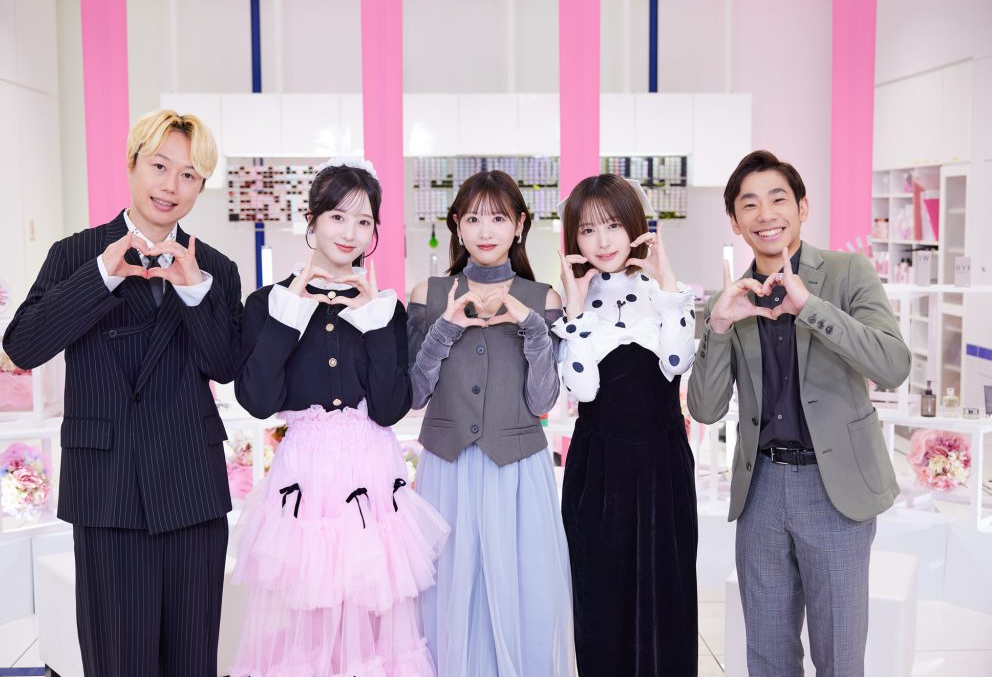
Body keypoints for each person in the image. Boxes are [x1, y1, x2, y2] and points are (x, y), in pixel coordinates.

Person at [3, 109, 242, 675]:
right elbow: (24, 346)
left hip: (192, 488)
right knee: (117, 662)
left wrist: (195, 291)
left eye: (189, 175)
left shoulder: (216, 268)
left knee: (192, 660)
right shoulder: (74, 254)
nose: (171, 186)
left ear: (201, 187)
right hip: (108, 489)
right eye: (160, 166)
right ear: (132, 164)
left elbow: (227, 365)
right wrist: (102, 275)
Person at [687, 150, 910, 677]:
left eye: (778, 199)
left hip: (835, 490)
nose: (765, 214)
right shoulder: (729, 300)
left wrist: (810, 307)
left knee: (839, 654)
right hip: (761, 489)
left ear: (802, 207)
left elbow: (893, 364)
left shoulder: (847, 273)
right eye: (749, 204)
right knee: (767, 655)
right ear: (735, 221)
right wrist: (718, 326)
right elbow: (705, 408)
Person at [230, 158, 449, 676]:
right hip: (306, 474)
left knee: (373, 618)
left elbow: (391, 408)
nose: (350, 232)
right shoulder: (268, 303)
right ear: (312, 219)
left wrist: (374, 324)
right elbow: (257, 399)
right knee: (307, 615)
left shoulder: (384, 309)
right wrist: (288, 317)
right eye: (337, 217)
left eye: (364, 221)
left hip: (370, 472)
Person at [407, 170, 575, 676]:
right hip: (446, 471)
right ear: (457, 225)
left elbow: (544, 400)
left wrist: (533, 329)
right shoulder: (429, 293)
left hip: (517, 473)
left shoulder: (543, 298)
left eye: (499, 218)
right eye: (474, 218)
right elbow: (414, 394)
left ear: (519, 225)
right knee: (448, 598)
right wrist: (444, 329)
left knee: (519, 596)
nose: (486, 230)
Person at [554, 174, 698, 676]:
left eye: (613, 225)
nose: (603, 241)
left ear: (635, 226)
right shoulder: (575, 301)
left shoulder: (662, 294)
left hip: (662, 464)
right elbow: (583, 389)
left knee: (668, 595)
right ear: (574, 238)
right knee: (601, 599)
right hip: (598, 468)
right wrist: (574, 307)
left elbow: (677, 360)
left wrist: (668, 282)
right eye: (588, 229)